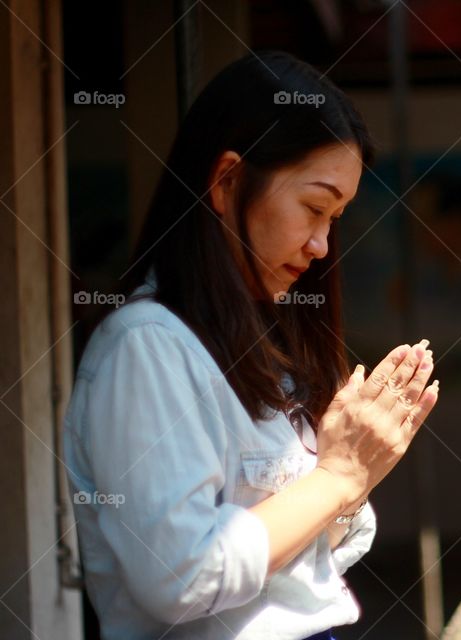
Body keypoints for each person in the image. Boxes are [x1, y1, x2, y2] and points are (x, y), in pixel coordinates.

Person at [62, 51, 439, 640]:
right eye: (314, 207)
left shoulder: (260, 344)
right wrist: (336, 478)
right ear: (227, 180)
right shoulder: (146, 348)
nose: (321, 244)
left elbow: (310, 562)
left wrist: (355, 468)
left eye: (335, 218)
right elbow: (180, 577)